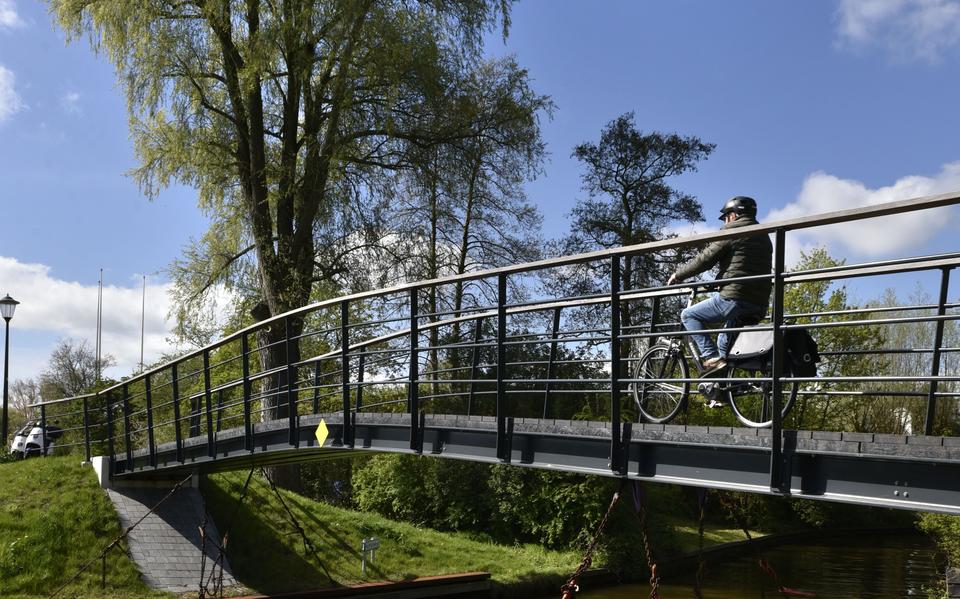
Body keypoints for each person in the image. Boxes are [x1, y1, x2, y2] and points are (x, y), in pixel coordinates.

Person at [666, 196, 773, 371]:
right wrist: (721, 281)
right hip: (759, 302)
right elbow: (744, 265)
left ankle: (710, 357)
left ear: (734, 215)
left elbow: (705, 259)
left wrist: (678, 275)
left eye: (726, 216)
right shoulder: (763, 235)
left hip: (735, 299)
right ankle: (722, 388)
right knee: (724, 345)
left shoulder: (733, 231)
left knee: (688, 315)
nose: (724, 220)